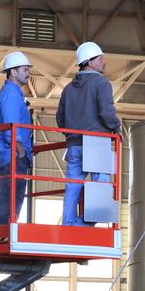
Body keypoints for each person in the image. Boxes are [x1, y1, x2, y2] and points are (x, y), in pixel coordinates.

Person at [55, 41, 119, 226]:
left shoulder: (68, 89)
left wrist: (72, 135)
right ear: (90, 62)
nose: (104, 62)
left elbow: (60, 119)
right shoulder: (101, 83)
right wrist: (116, 127)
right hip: (97, 143)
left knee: (73, 185)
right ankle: (88, 223)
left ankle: (68, 223)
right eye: (101, 58)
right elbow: (107, 113)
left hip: (74, 145)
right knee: (101, 184)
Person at [0, 52, 34, 226]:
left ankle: (4, 231)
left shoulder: (13, 94)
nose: (28, 74)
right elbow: (11, 125)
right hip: (14, 156)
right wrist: (20, 149)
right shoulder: (11, 95)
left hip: (12, 155)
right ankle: (3, 233)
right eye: (25, 70)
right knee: (10, 200)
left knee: (10, 199)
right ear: (13, 72)